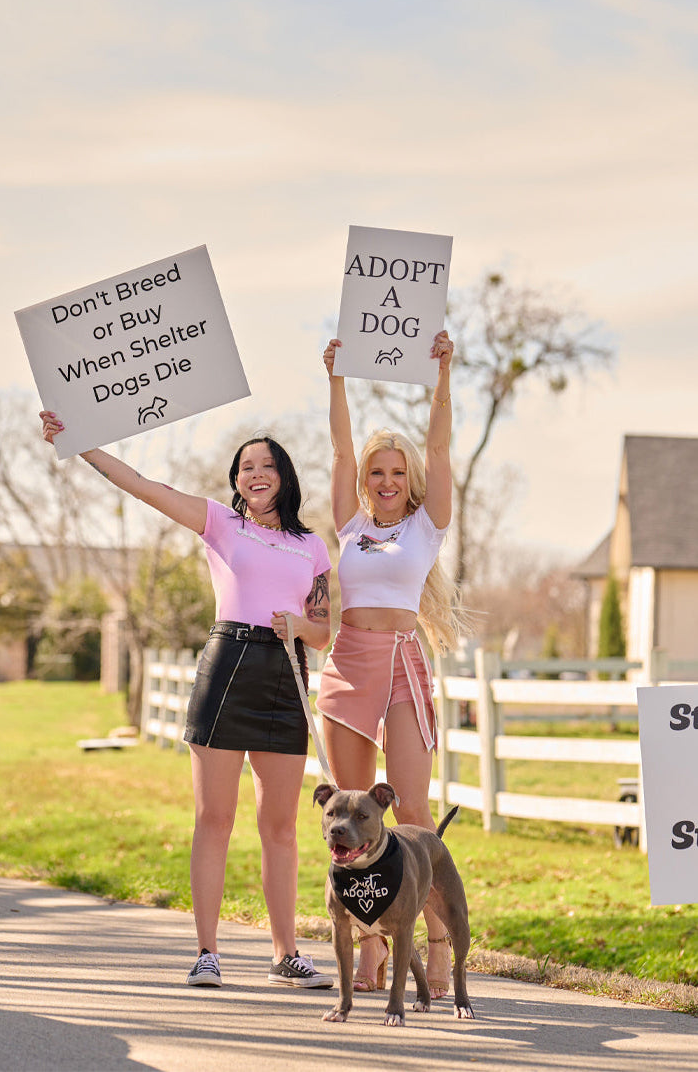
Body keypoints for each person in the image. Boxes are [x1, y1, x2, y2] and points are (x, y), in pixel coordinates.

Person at [40, 413, 334, 991]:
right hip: (227, 670)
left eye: (267, 465)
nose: (256, 473)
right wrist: (82, 444)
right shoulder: (221, 523)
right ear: (236, 479)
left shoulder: (312, 546)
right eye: (246, 467)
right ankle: (206, 952)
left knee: (280, 827)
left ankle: (285, 955)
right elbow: (145, 488)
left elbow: (323, 631)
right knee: (214, 819)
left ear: (285, 476)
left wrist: (300, 624)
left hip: (285, 678)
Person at [316, 330, 463, 999]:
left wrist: (443, 374)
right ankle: (371, 948)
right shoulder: (349, 525)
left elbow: (440, 446)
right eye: (377, 472)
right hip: (350, 663)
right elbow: (340, 449)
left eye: (396, 473)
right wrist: (336, 376)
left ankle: (438, 942)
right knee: (353, 815)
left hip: (403, 664)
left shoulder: (428, 526)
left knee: (410, 810)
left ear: (411, 481)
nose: (385, 481)